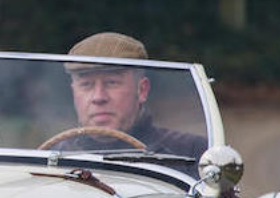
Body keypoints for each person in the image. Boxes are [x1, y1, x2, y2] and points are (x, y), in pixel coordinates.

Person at [47, 32, 208, 159]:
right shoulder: (53, 156)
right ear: (74, 93)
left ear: (142, 90)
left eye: (111, 82)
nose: (98, 97)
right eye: (86, 85)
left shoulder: (191, 154)